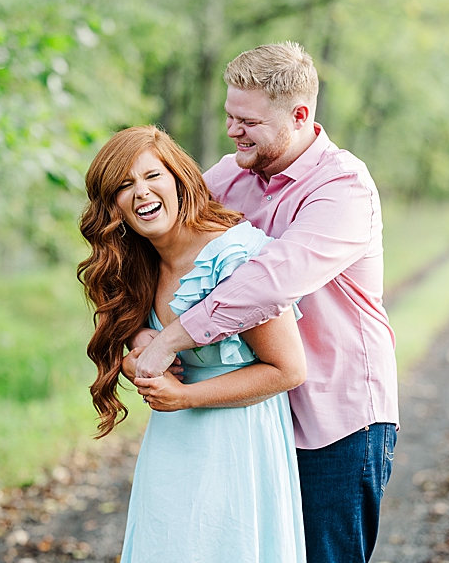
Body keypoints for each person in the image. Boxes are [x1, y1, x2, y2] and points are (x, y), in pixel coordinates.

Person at [129, 42, 400, 562]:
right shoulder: (227, 177)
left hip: (334, 419)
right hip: (248, 417)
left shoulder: (344, 188)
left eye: (247, 121)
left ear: (299, 115)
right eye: (229, 116)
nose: (232, 132)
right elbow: (166, 249)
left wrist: (172, 340)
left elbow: (273, 280)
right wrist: (140, 331)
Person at [77, 125, 308, 562]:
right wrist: (139, 357)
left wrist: (184, 395)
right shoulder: (140, 263)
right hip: (171, 447)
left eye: (152, 176)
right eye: (124, 186)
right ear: (113, 206)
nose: (141, 193)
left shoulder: (235, 256)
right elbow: (138, 360)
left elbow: (289, 369)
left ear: (179, 179)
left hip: (237, 444)